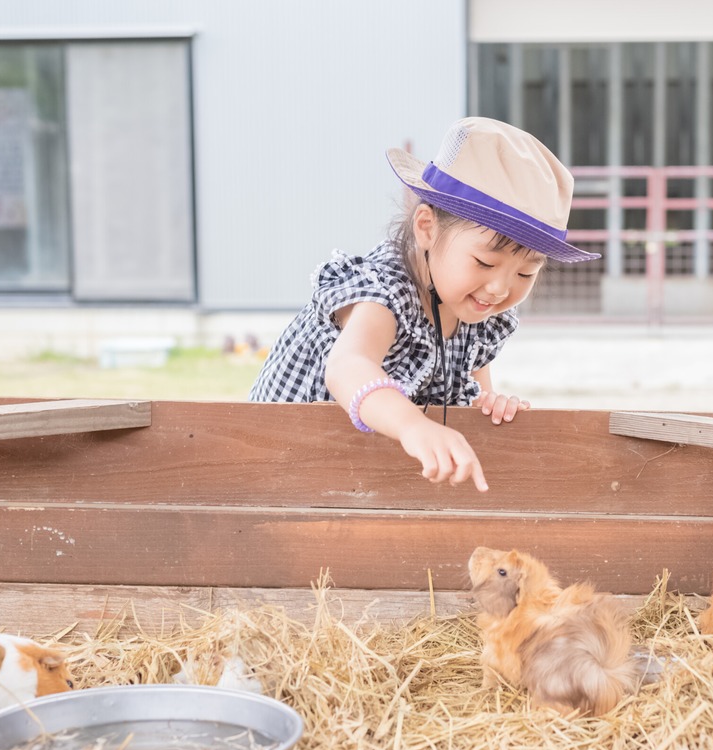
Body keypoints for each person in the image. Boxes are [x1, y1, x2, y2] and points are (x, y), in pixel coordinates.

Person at [249, 117, 599, 492]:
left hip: (360, 481)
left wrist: (490, 406)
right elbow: (348, 366)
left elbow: (471, 396)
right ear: (427, 227)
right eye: (485, 263)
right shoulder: (385, 289)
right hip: (278, 463)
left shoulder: (477, 313)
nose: (499, 288)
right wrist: (412, 425)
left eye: (525, 273)